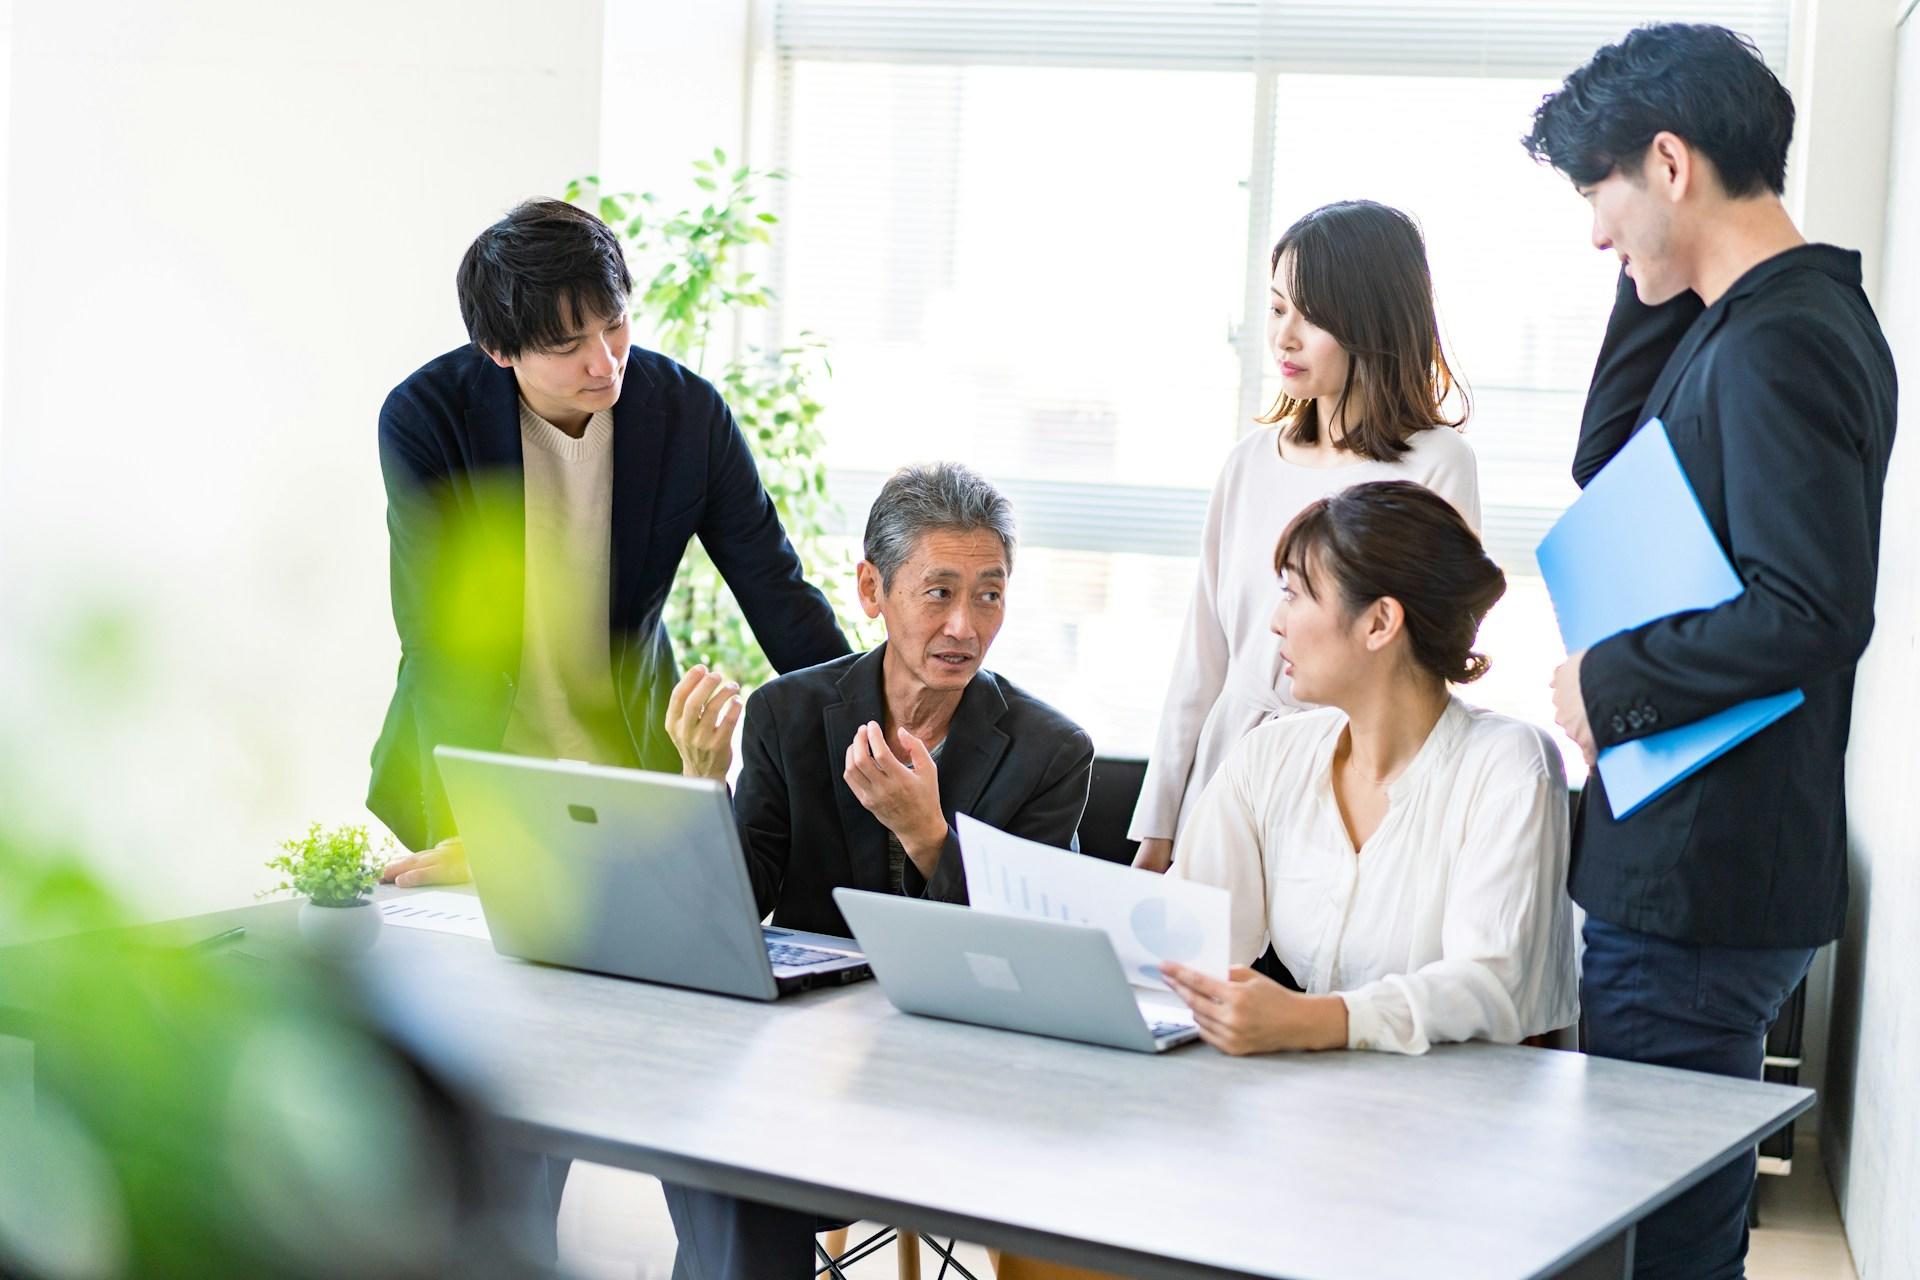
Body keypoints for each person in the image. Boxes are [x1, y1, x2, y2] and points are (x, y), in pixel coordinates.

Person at [1524, 24, 1897, 1279]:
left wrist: (1603, 685)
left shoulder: (1785, 339)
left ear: (1670, 161)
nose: (1594, 234)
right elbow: (1608, 463)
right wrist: (1648, 275)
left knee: (1659, 1242)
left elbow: (1813, 608)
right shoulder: (1745, 320)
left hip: (1701, 869)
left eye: (1600, 195)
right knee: (1658, 1225)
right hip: (1691, 857)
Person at [658, 462, 1094, 1279]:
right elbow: (738, 901)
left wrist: (929, 836)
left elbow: (1036, 953)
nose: (965, 625)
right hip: (805, 1061)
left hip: (964, 1079)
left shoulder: (1050, 750)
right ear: (871, 588)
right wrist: (698, 787)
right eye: (938, 592)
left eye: (990, 594)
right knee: (715, 1142)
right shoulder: (790, 713)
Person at [369, 198, 850, 885]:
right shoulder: (427, 419)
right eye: (568, 347)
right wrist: (467, 826)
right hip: (477, 767)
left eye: (615, 324)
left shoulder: (687, 414)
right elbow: (439, 636)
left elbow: (776, 591)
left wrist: (872, 727)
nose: (604, 363)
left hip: (629, 764)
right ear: (499, 350)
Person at [1158, 481, 1577, 1058]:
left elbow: (1490, 985)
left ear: (1379, 622)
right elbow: (1187, 939)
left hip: (1476, 1119)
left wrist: (1311, 1021)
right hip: (1325, 1107)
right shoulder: (1269, 757)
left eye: (1296, 594)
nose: (1277, 622)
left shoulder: (1510, 764)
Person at [1131, 200, 1480, 874]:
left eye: (1311, 315)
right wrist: (1160, 827)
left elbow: (1432, 658)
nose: (1285, 337)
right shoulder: (1249, 463)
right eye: (1276, 308)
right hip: (1227, 775)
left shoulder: (1436, 464)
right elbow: (1201, 660)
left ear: (1372, 322)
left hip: (1355, 784)